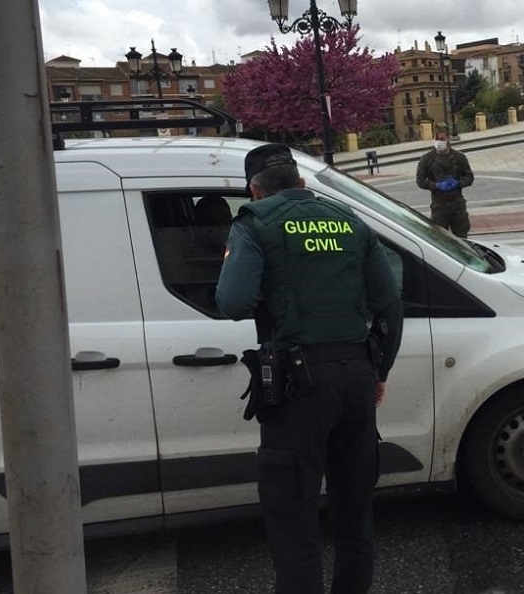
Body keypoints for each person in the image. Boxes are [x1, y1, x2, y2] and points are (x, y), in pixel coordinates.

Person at [215, 143, 404, 594]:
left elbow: (232, 301)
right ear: (301, 184)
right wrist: (380, 373)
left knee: (292, 516)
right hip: (356, 378)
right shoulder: (349, 221)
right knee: (355, 512)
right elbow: (390, 305)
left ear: (254, 191)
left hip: (297, 386)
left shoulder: (254, 223)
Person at [415, 124, 474, 237]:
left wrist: (458, 183)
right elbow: (420, 180)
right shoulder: (427, 159)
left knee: (462, 237)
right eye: (437, 139)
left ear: (448, 139)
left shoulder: (459, 157)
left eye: (442, 139)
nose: (440, 141)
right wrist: (436, 185)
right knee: (440, 238)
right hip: (439, 206)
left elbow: (469, 177)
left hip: (457, 204)